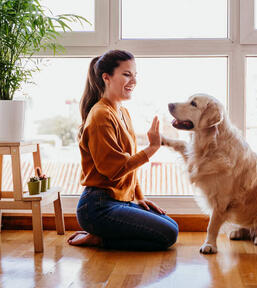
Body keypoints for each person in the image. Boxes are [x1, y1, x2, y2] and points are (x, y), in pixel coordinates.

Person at [67, 50, 179, 250]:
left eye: (135, 75)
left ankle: (102, 235)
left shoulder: (122, 112)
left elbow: (128, 167)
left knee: (171, 226)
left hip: (119, 200)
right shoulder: (101, 115)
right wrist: (152, 148)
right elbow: (114, 169)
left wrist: (139, 197)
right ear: (106, 77)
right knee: (168, 234)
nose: (133, 81)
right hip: (97, 206)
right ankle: (99, 238)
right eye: (127, 74)